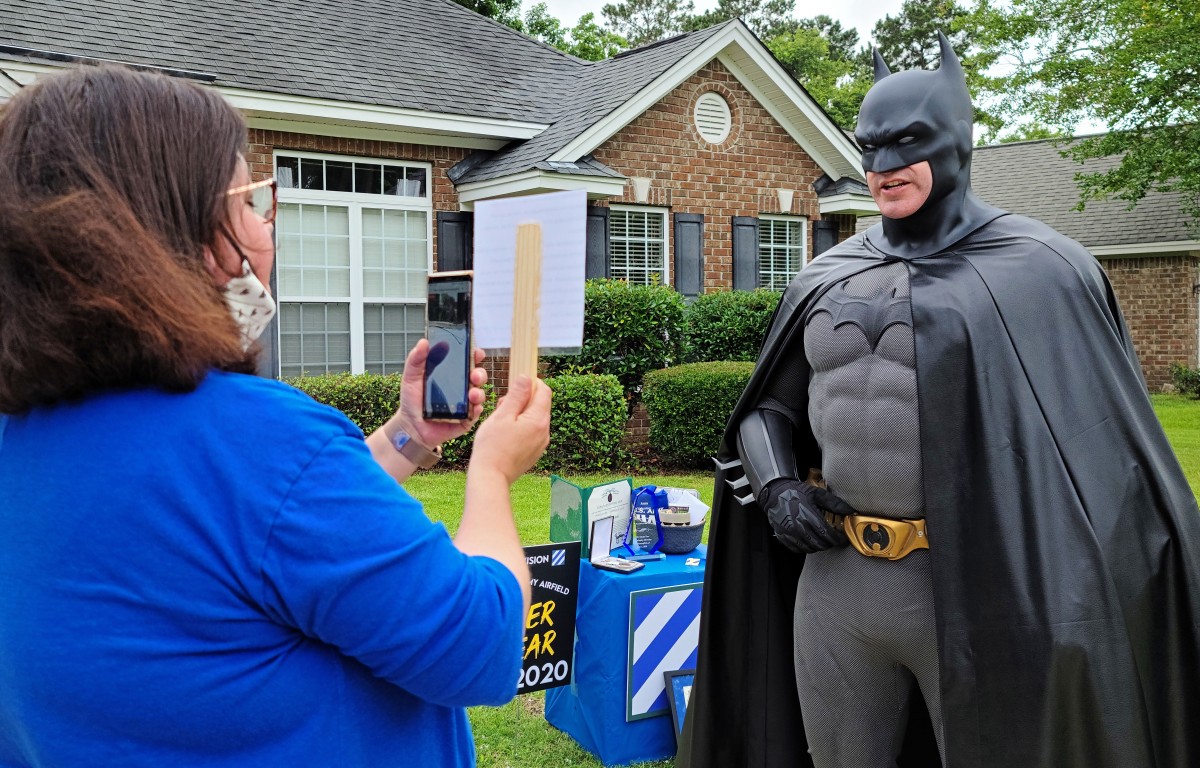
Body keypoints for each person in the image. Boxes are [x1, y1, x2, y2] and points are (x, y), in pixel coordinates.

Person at [0, 65, 552, 766]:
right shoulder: (262, 442)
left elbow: (261, 536)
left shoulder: (21, 442)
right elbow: (483, 644)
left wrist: (408, 434)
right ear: (185, 237)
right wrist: (493, 470)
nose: (268, 232)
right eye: (250, 202)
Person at [679, 33, 1200, 768]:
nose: (883, 167)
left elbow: (1102, 451)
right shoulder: (827, 276)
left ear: (958, 143)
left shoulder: (1042, 271)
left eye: (908, 143)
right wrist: (777, 486)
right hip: (838, 583)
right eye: (869, 147)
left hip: (975, 590)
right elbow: (770, 409)